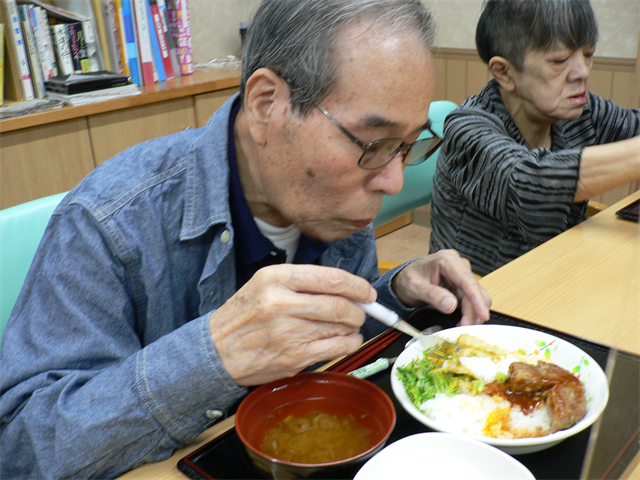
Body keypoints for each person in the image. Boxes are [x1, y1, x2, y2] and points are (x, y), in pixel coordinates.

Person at [0, 1, 490, 478]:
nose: (393, 181)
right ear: (266, 105)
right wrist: (214, 355)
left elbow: (330, 338)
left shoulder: (333, 194)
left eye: (407, 146)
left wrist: (397, 290)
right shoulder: (109, 220)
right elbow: (24, 448)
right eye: (375, 143)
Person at [429, 0, 640, 277]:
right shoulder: (467, 128)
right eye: (559, 60)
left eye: (588, 54)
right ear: (504, 72)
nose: (583, 72)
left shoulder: (580, 112)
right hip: (473, 302)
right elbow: (530, 183)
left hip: (550, 277)